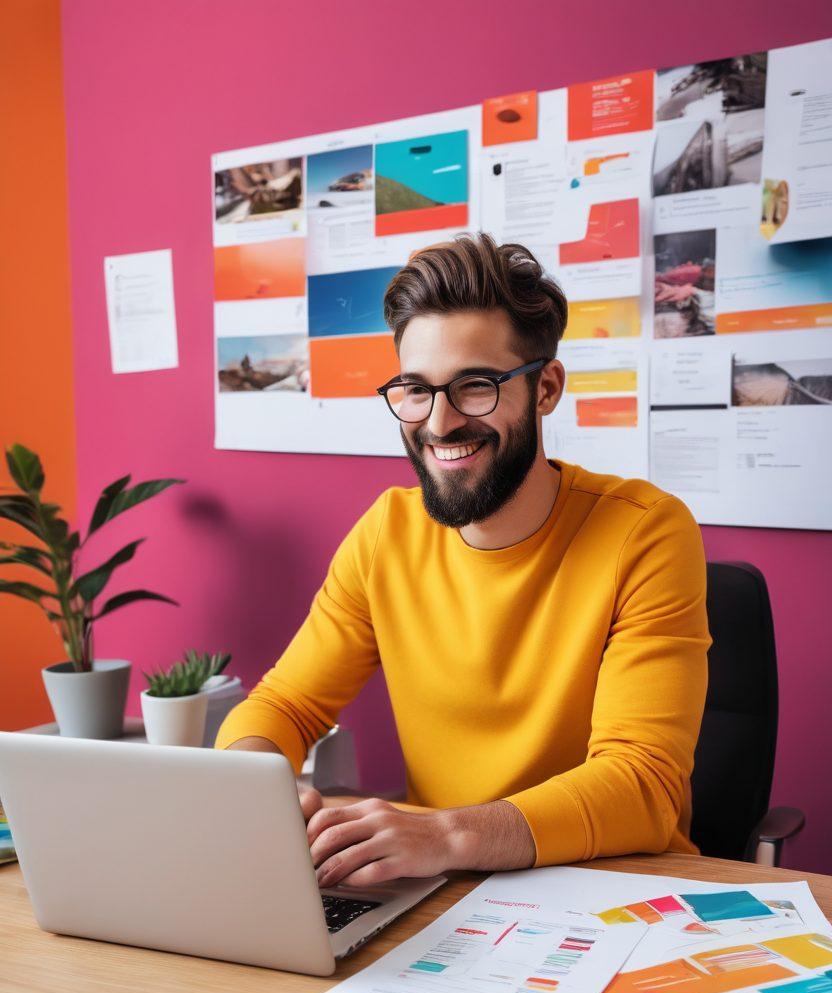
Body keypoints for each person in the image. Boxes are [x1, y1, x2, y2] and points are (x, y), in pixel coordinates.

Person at [216, 233, 710, 888]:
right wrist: (255, 789)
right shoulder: (386, 535)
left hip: (612, 893)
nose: (440, 424)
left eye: (474, 386)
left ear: (546, 389)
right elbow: (286, 704)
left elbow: (642, 784)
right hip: (446, 893)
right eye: (416, 391)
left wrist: (446, 832)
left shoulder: (645, 533)